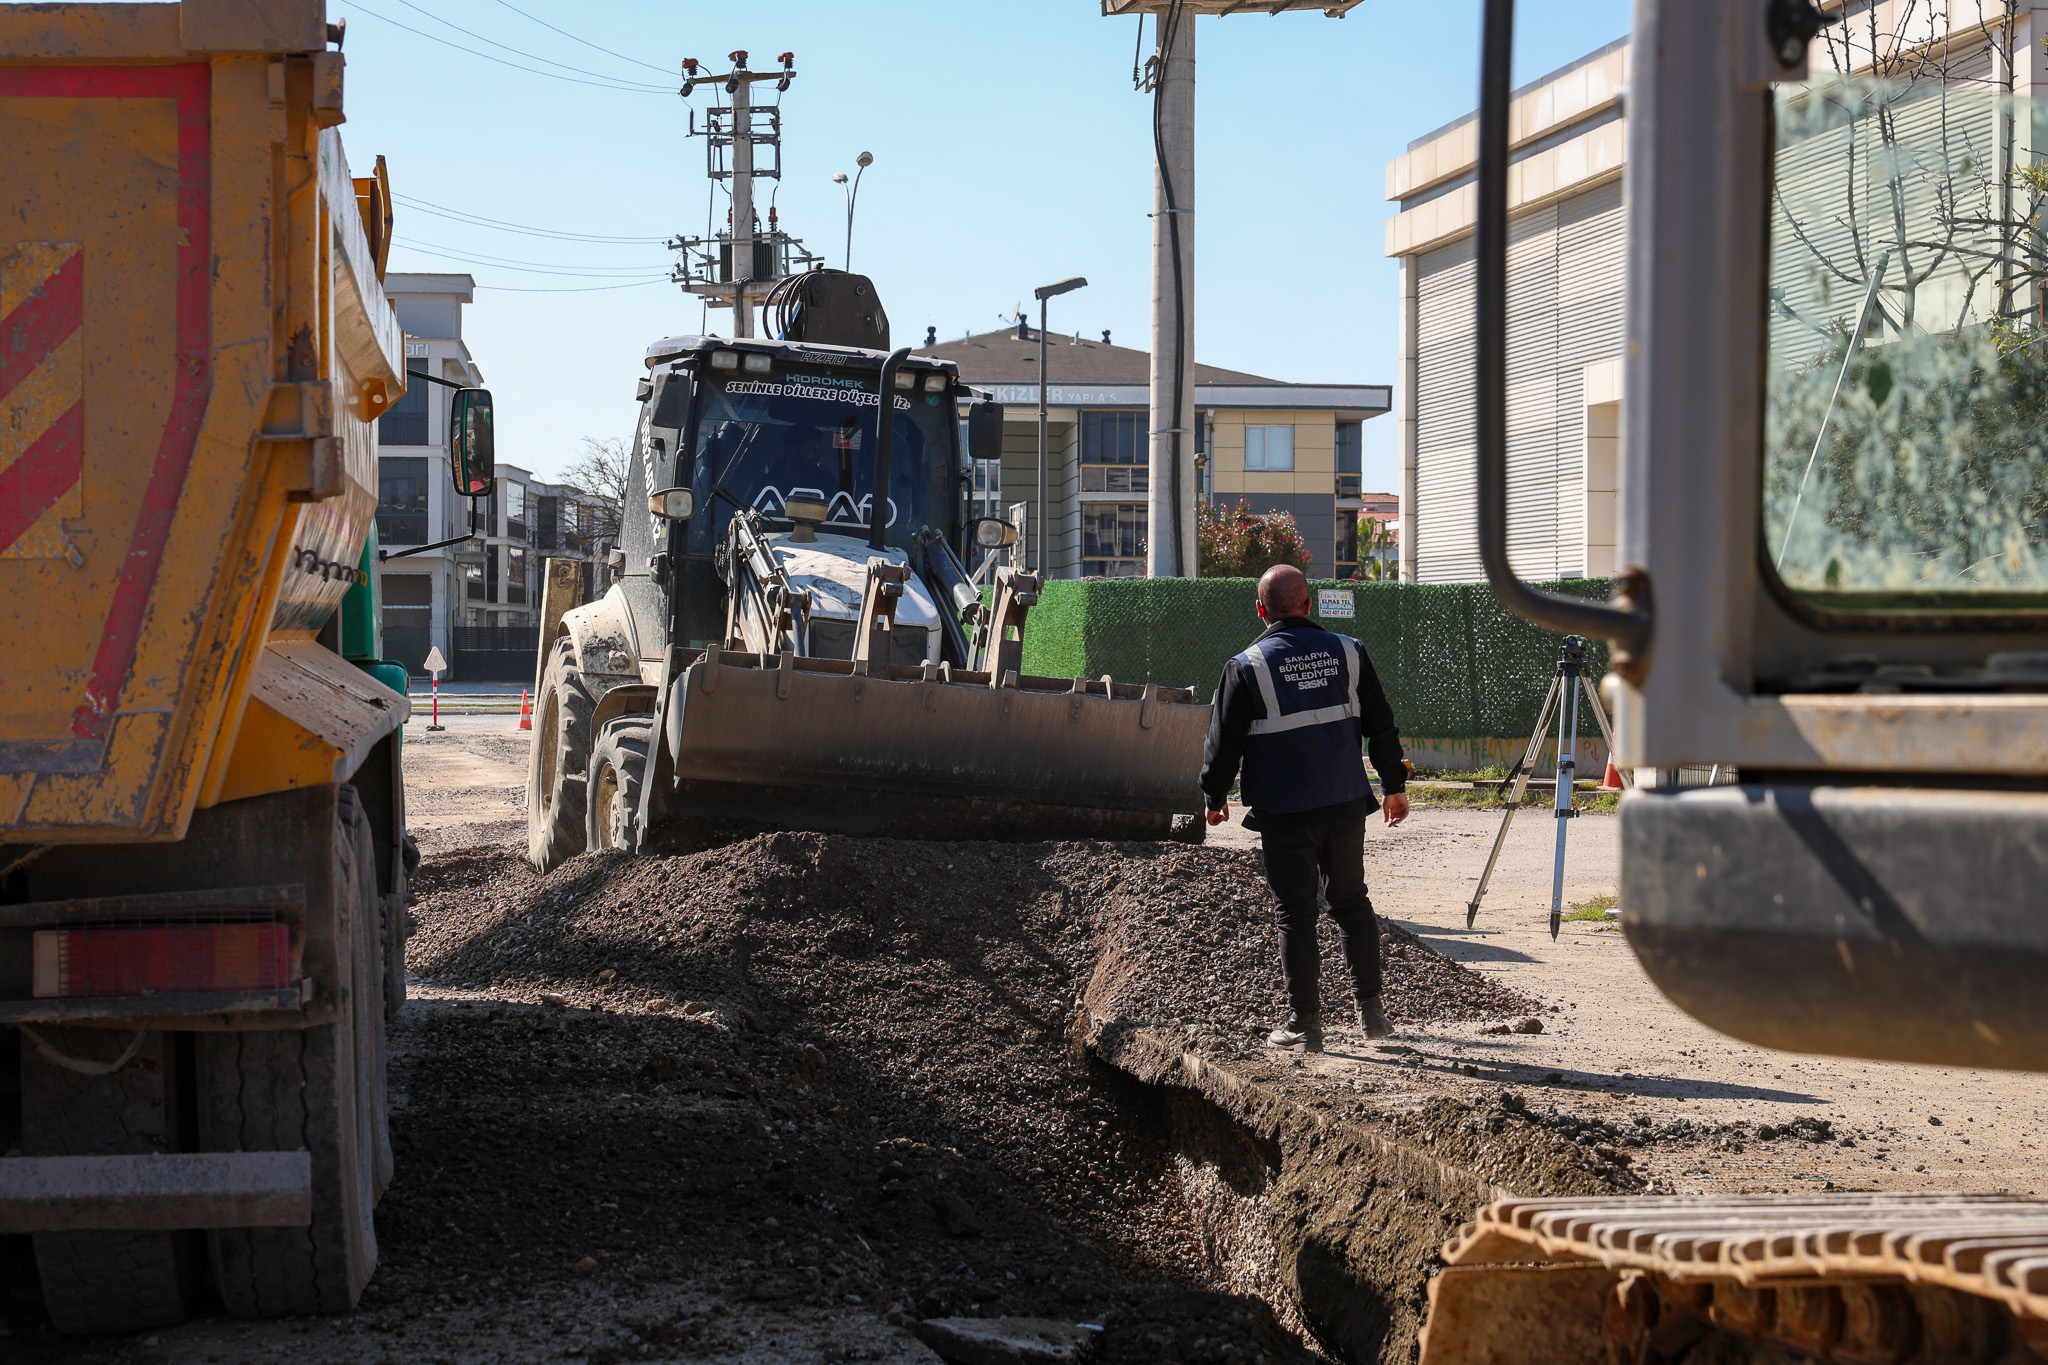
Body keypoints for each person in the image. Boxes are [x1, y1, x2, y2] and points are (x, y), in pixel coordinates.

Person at [1199, 564, 1409, 1053]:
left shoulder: (1246, 665)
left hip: (1285, 810)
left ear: (1260, 609)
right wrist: (1394, 786)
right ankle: (1372, 1014)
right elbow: (1381, 725)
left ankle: (1305, 1024)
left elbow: (1222, 742)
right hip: (1344, 802)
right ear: (1309, 604)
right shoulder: (1350, 652)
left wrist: (1214, 796)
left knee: (1295, 912)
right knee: (1351, 902)